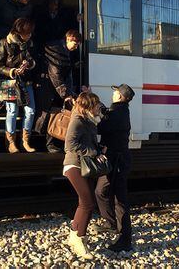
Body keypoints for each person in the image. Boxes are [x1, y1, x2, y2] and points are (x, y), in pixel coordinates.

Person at [63, 92, 107, 259]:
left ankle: (74, 234)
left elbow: (88, 142)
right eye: (96, 104)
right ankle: (79, 239)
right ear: (88, 105)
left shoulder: (89, 120)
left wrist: (99, 148)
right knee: (88, 203)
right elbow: (70, 144)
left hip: (83, 165)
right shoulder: (78, 120)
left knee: (85, 203)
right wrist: (94, 152)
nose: (99, 107)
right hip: (74, 165)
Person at [94, 84, 135, 252]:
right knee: (100, 191)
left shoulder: (117, 113)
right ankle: (111, 223)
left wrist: (97, 112)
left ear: (119, 96)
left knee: (120, 201)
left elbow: (101, 127)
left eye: (115, 92)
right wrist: (102, 109)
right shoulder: (120, 110)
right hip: (115, 160)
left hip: (117, 162)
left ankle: (125, 239)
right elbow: (108, 118)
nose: (113, 94)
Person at [0, 18, 37, 154]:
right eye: (28, 32)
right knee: (12, 111)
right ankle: (11, 142)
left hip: (26, 81)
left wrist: (29, 64)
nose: (30, 35)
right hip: (9, 82)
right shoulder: (5, 42)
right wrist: (12, 71)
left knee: (30, 111)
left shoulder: (30, 43)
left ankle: (25, 141)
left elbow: (33, 60)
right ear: (19, 31)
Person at [38, 30, 82, 154]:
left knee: (55, 115)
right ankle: (49, 144)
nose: (76, 46)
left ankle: (53, 142)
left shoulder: (63, 51)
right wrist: (66, 94)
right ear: (68, 39)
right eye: (75, 43)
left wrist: (69, 93)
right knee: (52, 115)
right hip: (50, 88)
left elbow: (65, 75)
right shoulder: (57, 50)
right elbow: (55, 74)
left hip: (56, 88)